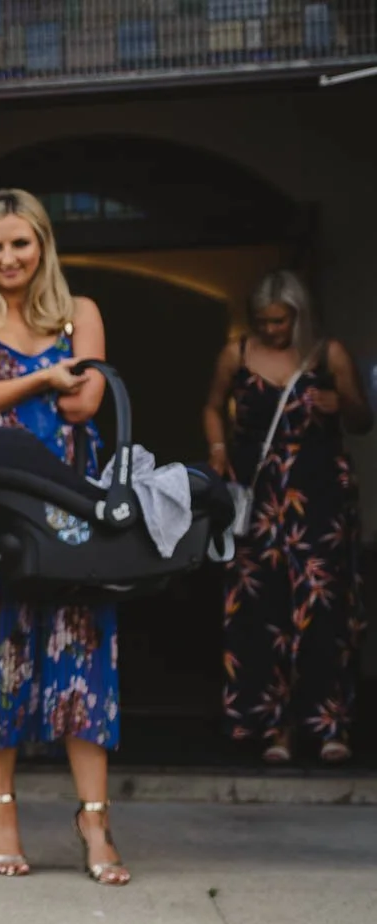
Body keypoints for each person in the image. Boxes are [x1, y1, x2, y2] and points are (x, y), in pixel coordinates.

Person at [0, 188, 130, 886]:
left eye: (20, 243)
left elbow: (86, 400)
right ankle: (1, 813)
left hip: (71, 508)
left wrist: (34, 381)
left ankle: (94, 821)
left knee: (81, 649)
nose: (8, 258)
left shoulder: (83, 313)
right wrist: (42, 374)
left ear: (42, 245)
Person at [203, 269, 369, 764]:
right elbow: (212, 406)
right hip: (258, 500)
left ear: (299, 315)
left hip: (319, 500)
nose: (272, 330)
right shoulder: (236, 352)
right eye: (264, 321)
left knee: (324, 614)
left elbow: (363, 420)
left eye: (281, 321)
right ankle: (274, 729)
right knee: (262, 614)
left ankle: (328, 725)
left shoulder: (327, 354)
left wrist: (341, 402)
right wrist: (216, 448)